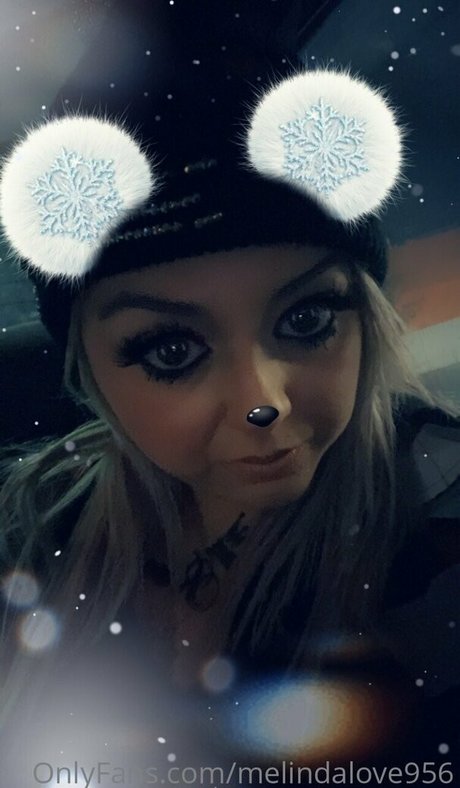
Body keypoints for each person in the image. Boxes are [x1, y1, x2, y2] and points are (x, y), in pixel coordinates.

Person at [0, 1, 459, 783]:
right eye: (172, 350)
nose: (261, 401)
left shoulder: (435, 534)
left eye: (307, 320)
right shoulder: (37, 516)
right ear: (87, 369)